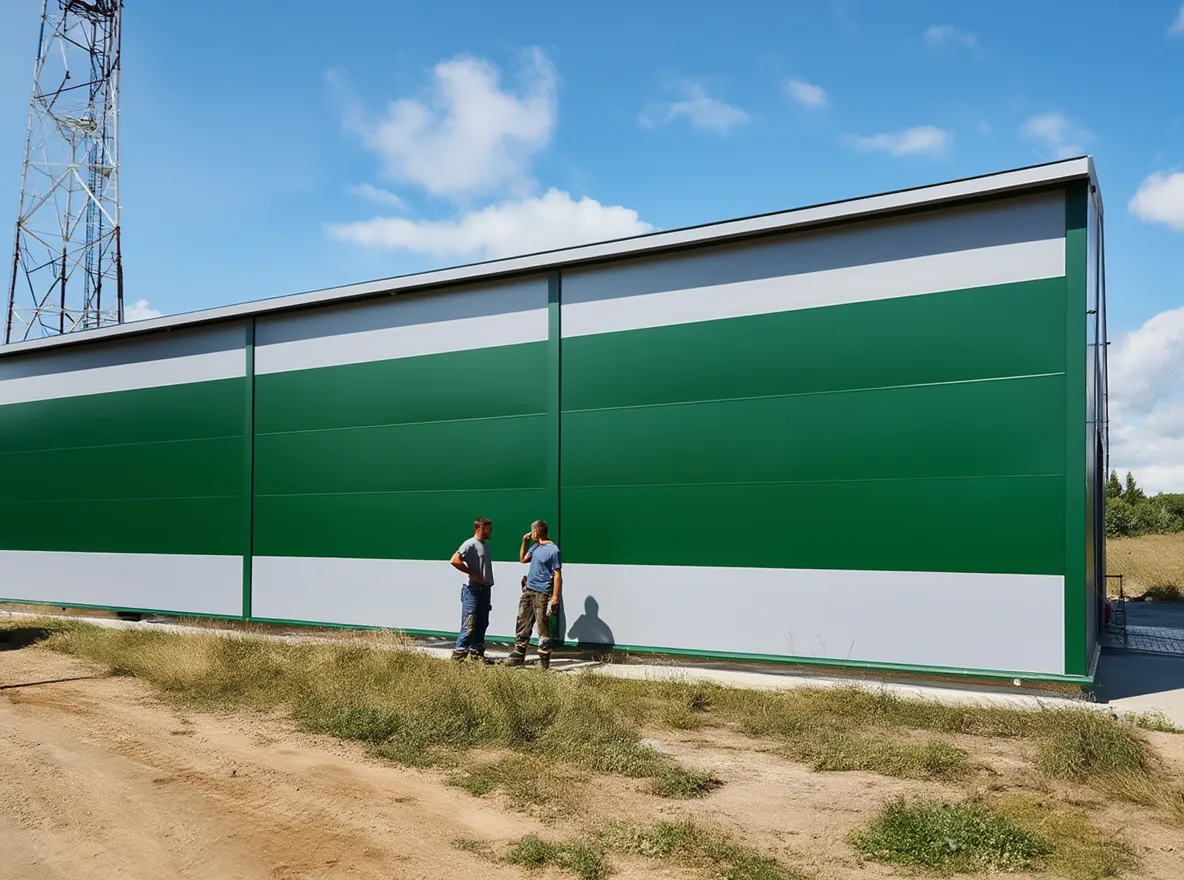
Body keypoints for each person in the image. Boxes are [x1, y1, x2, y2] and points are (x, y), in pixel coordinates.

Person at [504, 520, 561, 669]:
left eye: (532, 532)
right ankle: (518, 655)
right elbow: (523, 559)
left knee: (543, 626)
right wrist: (525, 542)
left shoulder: (553, 550)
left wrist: (555, 597)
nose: (531, 535)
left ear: (536, 532)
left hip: (543, 593)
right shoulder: (535, 547)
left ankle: (544, 660)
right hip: (528, 590)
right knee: (523, 621)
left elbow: (557, 574)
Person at [449, 518, 494, 663]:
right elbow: (454, 560)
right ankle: (458, 657)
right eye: (489, 528)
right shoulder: (470, 544)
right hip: (473, 590)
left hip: (484, 589)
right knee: (469, 623)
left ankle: (477, 656)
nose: (491, 531)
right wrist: (472, 573)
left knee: (482, 623)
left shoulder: (484, 545)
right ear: (480, 528)